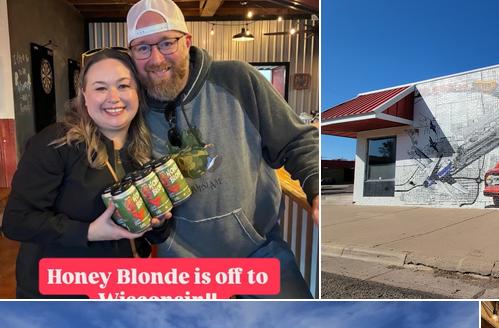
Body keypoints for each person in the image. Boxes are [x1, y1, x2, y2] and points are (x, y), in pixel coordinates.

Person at [125, 0, 319, 298]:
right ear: (131, 54)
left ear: (186, 42)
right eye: (143, 48)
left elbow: (297, 140)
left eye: (166, 43)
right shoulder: (130, 110)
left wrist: (317, 190)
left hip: (258, 251)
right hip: (181, 266)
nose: (156, 58)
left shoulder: (238, 79)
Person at [2, 49, 167, 298]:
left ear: (138, 93)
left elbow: (150, 234)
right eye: (100, 88)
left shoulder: (145, 150)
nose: (113, 97)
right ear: (84, 96)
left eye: (123, 85)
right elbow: (16, 222)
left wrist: (158, 223)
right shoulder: (56, 143)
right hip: (61, 298)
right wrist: (88, 231)